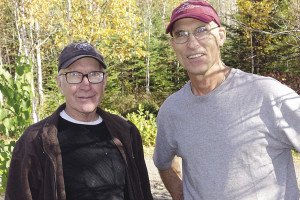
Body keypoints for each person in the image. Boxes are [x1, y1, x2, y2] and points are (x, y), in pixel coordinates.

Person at [153, 0, 300, 199]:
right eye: (181, 34)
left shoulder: (265, 93)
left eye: (201, 30)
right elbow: (163, 163)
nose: (192, 43)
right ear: (173, 45)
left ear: (221, 36)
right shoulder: (172, 110)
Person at [5, 41, 153, 200]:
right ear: (60, 83)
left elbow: (143, 192)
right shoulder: (34, 141)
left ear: (104, 81)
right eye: (74, 75)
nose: (86, 84)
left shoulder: (126, 132)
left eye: (94, 75)